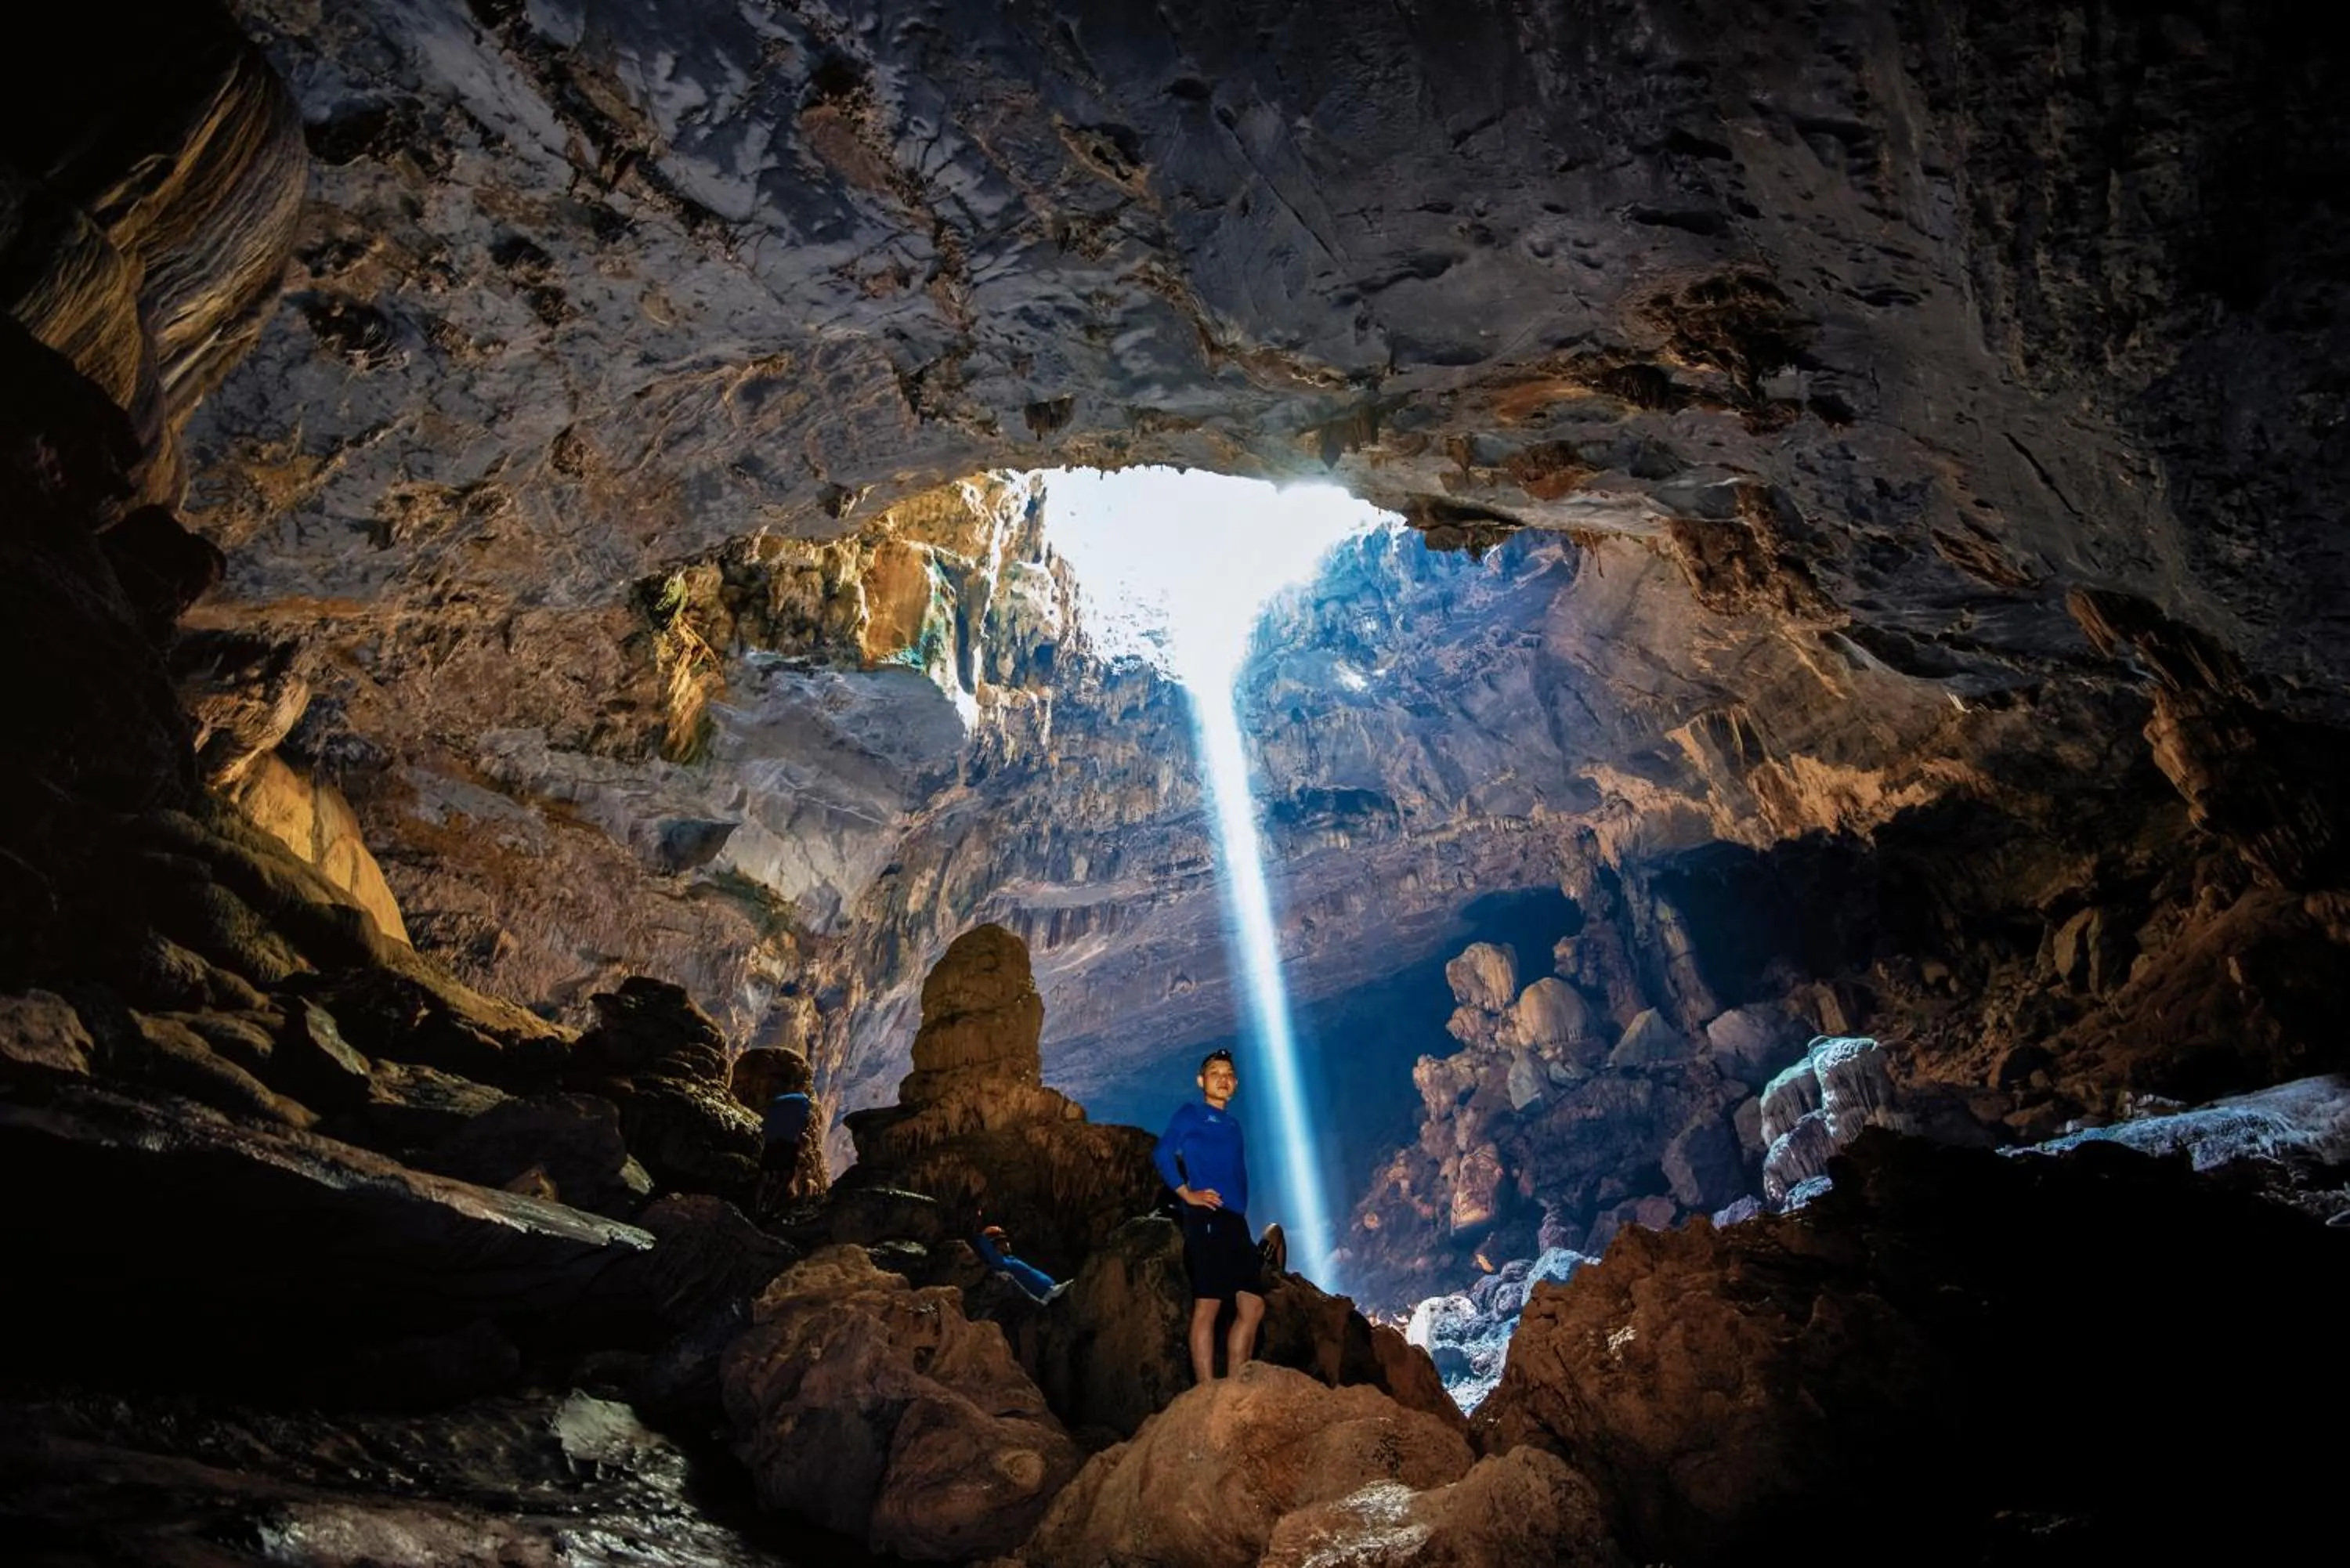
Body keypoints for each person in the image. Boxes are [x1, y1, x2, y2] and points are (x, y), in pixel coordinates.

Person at [1153, 1047, 1265, 1383]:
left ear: (1236, 1084)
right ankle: (1206, 1392)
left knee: (1253, 1306)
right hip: (1208, 1218)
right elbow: (1162, 1152)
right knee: (1210, 1305)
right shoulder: (1190, 1114)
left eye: (1229, 1074)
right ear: (1202, 1080)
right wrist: (1187, 1192)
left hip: (1234, 1221)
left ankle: (1234, 1385)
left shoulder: (1233, 1125)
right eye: (1215, 1073)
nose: (1223, 1079)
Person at [973, 1223, 1065, 1304]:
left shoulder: (1011, 1259)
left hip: (1052, 1289)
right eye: (1002, 1241)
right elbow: (993, 1256)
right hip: (1047, 1294)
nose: (1007, 1244)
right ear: (994, 1246)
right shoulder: (1002, 1263)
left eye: (1006, 1241)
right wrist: (981, 1238)